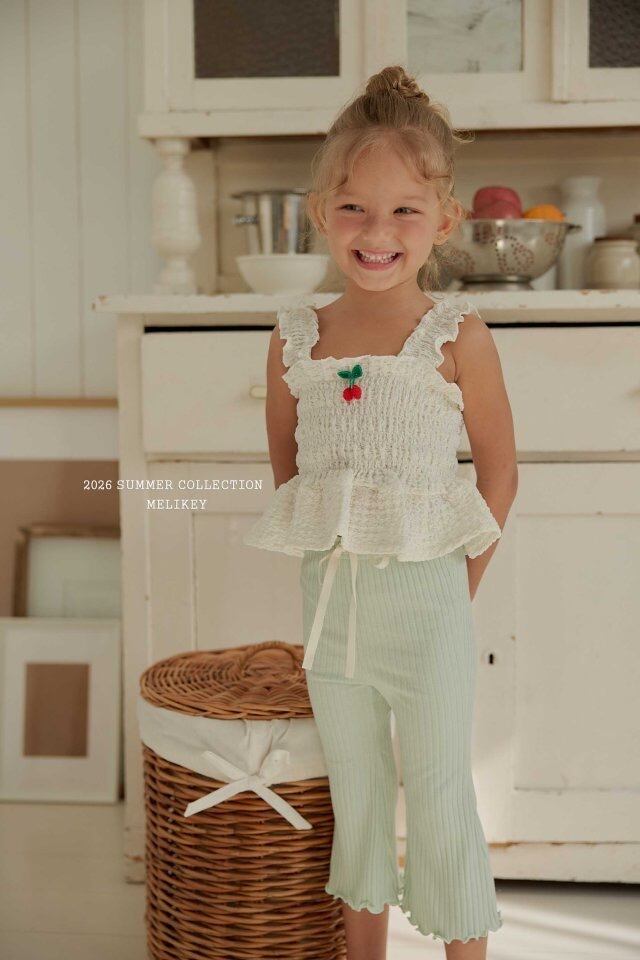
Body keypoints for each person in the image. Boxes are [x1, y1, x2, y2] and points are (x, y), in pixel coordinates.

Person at [243, 64, 518, 960]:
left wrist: (455, 586)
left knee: (439, 794)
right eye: (355, 208)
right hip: (334, 618)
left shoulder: (456, 336)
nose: (377, 231)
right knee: (357, 797)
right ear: (321, 212)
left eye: (404, 209)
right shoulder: (296, 338)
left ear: (444, 220)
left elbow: (500, 474)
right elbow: (291, 474)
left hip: (429, 608)